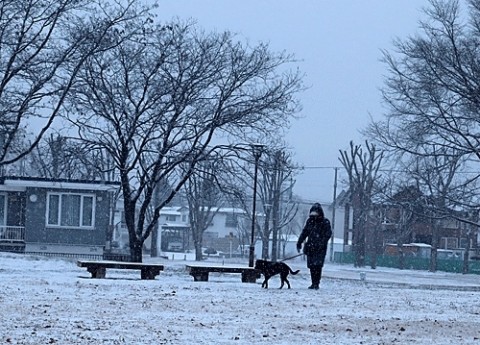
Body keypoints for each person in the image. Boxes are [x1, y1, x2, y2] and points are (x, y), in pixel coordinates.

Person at [296, 203, 332, 289]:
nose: (314, 215)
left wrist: (321, 243)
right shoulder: (310, 221)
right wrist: (299, 242)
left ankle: (316, 283)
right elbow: (305, 232)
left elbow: (328, 234)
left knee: (317, 266)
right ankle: (313, 283)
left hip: (320, 249)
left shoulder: (325, 222)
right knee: (312, 266)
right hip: (310, 247)